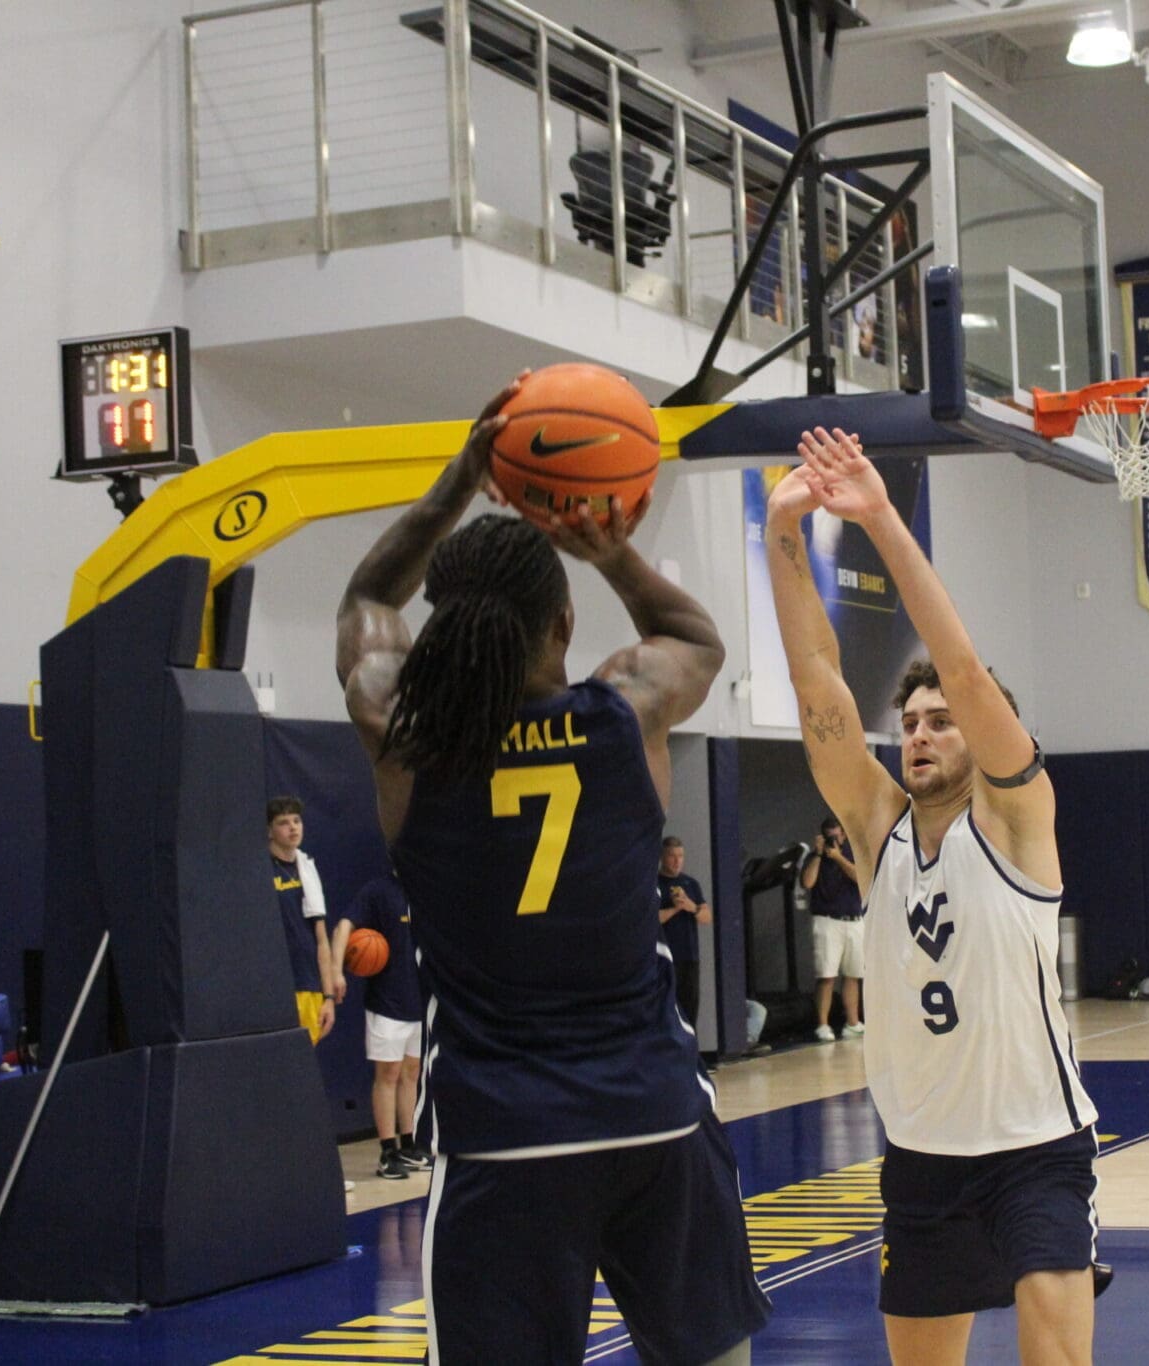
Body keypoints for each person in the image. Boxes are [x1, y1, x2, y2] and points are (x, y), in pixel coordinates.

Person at [335, 376, 769, 1366]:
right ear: (565, 624)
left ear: (441, 626)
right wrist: (606, 546)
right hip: (652, 1111)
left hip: (504, 1133)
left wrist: (456, 485)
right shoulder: (625, 710)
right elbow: (696, 639)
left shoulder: (407, 737)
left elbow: (367, 600)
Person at [765, 426, 1103, 1365]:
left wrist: (879, 517)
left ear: (985, 732)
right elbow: (815, 678)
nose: (919, 733)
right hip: (921, 1156)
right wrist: (783, 532)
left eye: (942, 722)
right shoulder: (879, 831)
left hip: (1037, 1149)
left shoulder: (1017, 818)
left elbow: (961, 665)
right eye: (909, 723)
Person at [331, 874, 431, 1181]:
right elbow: (343, 926)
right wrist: (336, 971)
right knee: (388, 1075)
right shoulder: (378, 890)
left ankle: (408, 1144)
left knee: (412, 1073)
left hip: (418, 998)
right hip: (387, 1000)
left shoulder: (424, 886)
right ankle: (388, 1152)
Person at [268, 797, 339, 1044]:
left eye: (296, 821)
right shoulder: (260, 870)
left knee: (304, 1058)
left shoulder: (308, 869)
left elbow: (321, 939)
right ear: (269, 831)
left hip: (307, 982)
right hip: (273, 984)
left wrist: (328, 997)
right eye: (283, 823)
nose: (293, 828)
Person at [801, 815, 864, 1042]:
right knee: (826, 974)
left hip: (854, 919)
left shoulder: (853, 854)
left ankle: (852, 1022)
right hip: (827, 921)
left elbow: (860, 878)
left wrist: (838, 857)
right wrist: (819, 854)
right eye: (829, 837)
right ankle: (823, 1024)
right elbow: (807, 882)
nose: (833, 841)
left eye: (836, 836)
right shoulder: (814, 857)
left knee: (853, 974)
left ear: (844, 835)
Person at [656, 837, 711, 1027]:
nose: (677, 861)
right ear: (662, 857)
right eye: (672, 856)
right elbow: (653, 919)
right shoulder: (655, 883)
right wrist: (676, 908)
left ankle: (691, 1044)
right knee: (666, 1009)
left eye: (680, 856)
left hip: (689, 958)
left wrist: (690, 906)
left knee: (690, 1009)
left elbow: (706, 917)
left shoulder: (690, 884)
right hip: (665, 958)